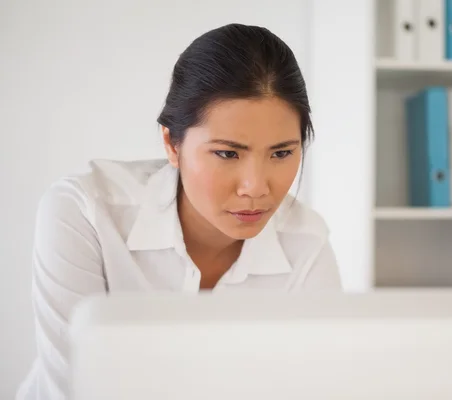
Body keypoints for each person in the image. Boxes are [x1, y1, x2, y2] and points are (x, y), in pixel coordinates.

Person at [16, 23, 342, 400]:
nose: (256, 187)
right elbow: (72, 389)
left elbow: (318, 385)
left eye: (282, 153)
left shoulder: (306, 244)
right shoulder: (84, 212)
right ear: (172, 143)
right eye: (227, 153)